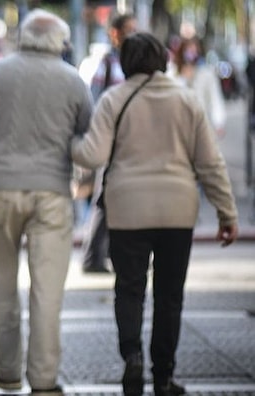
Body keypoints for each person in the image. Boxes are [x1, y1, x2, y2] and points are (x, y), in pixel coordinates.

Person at [71, 32, 238, 396]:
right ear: (162, 59)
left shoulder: (114, 99)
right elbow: (210, 163)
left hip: (127, 211)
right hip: (177, 211)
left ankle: (132, 356)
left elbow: (93, 156)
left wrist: (71, 144)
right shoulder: (186, 99)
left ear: (126, 61)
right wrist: (227, 212)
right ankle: (163, 376)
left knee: (129, 290)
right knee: (169, 296)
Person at [0, 9, 93, 394]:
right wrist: (81, 179)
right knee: (47, 293)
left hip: (0, 189)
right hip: (52, 193)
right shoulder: (73, 81)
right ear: (60, 41)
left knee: (2, 288)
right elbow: (89, 140)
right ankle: (43, 380)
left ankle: (7, 373)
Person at [80, 12, 137, 274]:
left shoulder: (134, 60)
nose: (132, 34)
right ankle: (93, 257)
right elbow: (95, 103)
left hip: (130, 141)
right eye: (128, 29)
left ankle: (111, 255)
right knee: (104, 198)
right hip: (111, 141)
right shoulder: (107, 62)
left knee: (120, 198)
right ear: (114, 33)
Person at [172, 36, 227, 137]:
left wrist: (218, 122)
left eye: (194, 50)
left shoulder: (206, 73)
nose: (191, 54)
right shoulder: (174, 73)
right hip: (178, 126)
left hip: (200, 126)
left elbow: (215, 98)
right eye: (188, 49)